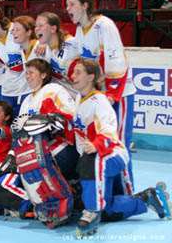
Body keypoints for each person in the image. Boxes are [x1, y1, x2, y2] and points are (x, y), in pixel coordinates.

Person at [70, 59, 171, 238]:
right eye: (73, 72)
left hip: (111, 153)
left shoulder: (99, 101)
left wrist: (96, 144)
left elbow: (108, 130)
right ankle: (148, 198)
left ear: (91, 77)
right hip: (95, 155)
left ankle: (92, 212)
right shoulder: (79, 98)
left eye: (78, 72)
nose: (72, 76)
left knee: (89, 163)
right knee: (108, 210)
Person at [0, 58, 78, 227]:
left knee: (32, 158)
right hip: (34, 153)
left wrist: (48, 122)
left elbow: (69, 118)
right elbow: (20, 135)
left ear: (44, 75)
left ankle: (59, 203)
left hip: (61, 148)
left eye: (31, 72)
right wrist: (12, 155)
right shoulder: (26, 101)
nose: (27, 76)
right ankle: (42, 204)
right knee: (2, 186)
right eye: (26, 73)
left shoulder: (53, 90)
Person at [66, 0, 136, 191]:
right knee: (99, 141)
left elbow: (116, 60)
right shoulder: (80, 29)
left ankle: (128, 193)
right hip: (99, 95)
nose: (67, 8)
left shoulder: (104, 25)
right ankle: (110, 191)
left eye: (72, 4)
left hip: (119, 94)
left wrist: (112, 94)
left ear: (85, 5)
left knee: (118, 144)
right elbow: (76, 57)